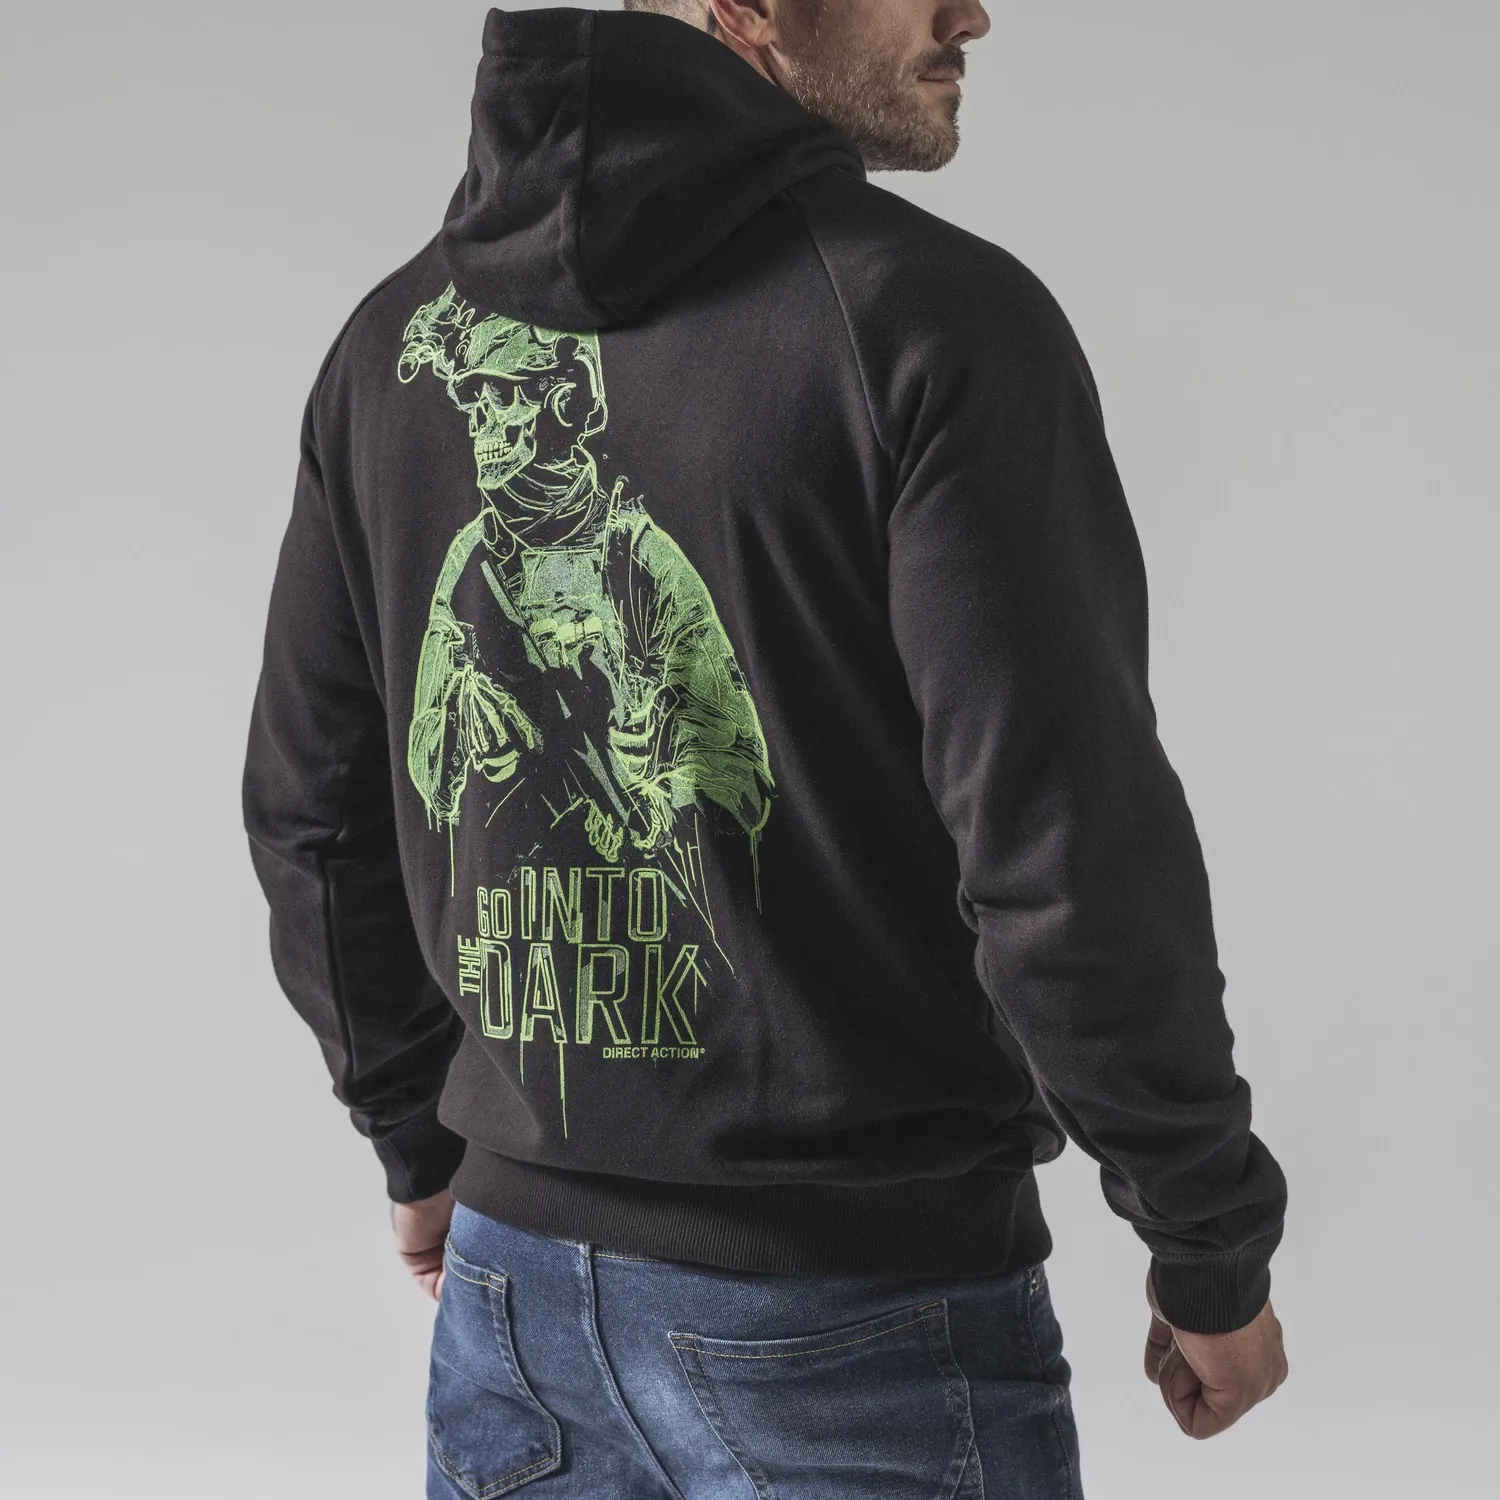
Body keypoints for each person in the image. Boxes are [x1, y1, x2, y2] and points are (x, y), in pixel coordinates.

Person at [242, 1, 1290, 1494]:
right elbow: (1058, 850)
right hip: (854, 1305)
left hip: (509, 1293)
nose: (971, 11)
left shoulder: (384, 349)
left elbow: (310, 813)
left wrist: (423, 1142)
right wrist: (1206, 1239)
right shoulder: (925, 317)